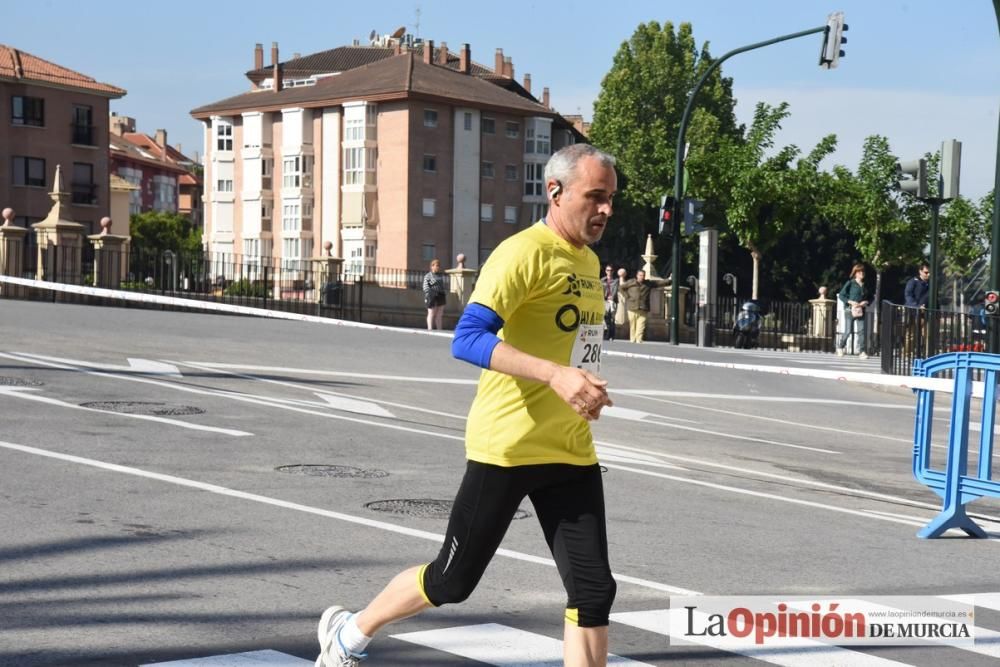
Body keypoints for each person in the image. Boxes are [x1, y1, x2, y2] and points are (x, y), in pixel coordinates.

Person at [315, 143, 618, 667]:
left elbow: (573, 346)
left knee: (593, 593)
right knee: (451, 581)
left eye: (611, 199)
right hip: (508, 447)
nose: (606, 209)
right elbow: (467, 338)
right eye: (596, 196)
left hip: (569, 451)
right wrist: (554, 375)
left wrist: (582, 385)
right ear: (555, 192)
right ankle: (350, 633)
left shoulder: (589, 262)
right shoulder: (521, 253)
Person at [619, 269, 669, 343]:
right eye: (640, 275)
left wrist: (669, 280)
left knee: (641, 325)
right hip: (632, 307)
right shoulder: (631, 282)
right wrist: (627, 296)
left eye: (643, 275)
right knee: (633, 325)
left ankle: (639, 340)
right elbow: (621, 288)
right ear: (637, 276)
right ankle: (632, 340)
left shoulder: (647, 283)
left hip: (643, 307)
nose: (642, 277)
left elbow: (659, 283)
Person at [836, 262, 870, 358]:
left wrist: (866, 302)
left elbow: (871, 297)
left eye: (862, 271)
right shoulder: (850, 283)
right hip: (849, 310)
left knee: (861, 331)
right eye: (859, 272)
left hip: (861, 311)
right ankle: (840, 347)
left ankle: (862, 352)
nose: (861, 273)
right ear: (855, 273)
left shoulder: (866, 285)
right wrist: (850, 302)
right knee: (848, 331)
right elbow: (842, 295)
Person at [422, 258, 447, 330]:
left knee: (439, 314)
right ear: (432, 266)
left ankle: (439, 329)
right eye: (436, 265)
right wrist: (429, 294)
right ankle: (430, 328)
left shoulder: (440, 276)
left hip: (440, 295)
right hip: (431, 295)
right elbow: (426, 287)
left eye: (438, 266)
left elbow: (441, 286)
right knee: (431, 313)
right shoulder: (428, 276)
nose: (438, 267)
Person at [600, 264, 619, 340]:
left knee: (611, 319)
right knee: (605, 318)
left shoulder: (616, 280)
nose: (609, 272)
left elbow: (616, 289)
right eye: (608, 270)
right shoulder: (602, 280)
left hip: (612, 301)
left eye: (611, 270)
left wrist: (612, 297)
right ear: (605, 271)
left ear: (613, 271)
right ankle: (606, 335)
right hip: (604, 301)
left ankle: (611, 335)